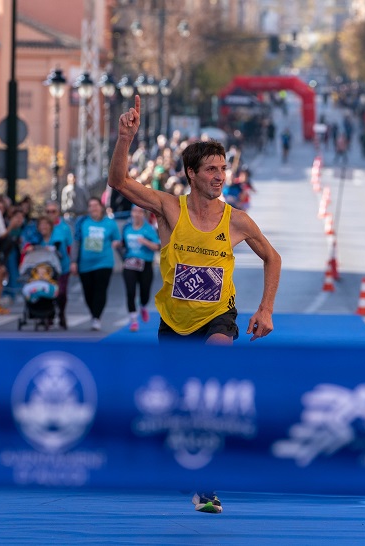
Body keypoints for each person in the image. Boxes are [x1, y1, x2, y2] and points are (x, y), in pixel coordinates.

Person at [108, 96, 281, 514]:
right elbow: (119, 182)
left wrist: (266, 309)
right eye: (211, 170)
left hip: (218, 317)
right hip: (174, 320)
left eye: (223, 169)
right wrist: (124, 139)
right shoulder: (169, 207)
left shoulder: (237, 219)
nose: (220, 176)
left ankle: (209, 484)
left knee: (211, 377)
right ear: (191, 173)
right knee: (184, 402)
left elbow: (272, 257)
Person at [71, 198, 121, 331]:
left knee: (100, 290)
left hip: (104, 262)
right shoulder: (82, 222)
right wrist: (74, 262)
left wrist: (118, 244)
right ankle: (94, 314)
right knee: (88, 292)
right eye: (90, 206)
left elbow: (117, 239)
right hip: (85, 264)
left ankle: (97, 317)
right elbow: (76, 242)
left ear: (101, 207)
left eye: (96, 205)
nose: (93, 208)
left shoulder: (109, 223)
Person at [119, 205, 161, 332]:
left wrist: (145, 242)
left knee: (145, 292)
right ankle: (133, 320)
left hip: (145, 265)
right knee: (130, 291)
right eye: (135, 211)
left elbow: (157, 246)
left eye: (140, 212)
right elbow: (123, 243)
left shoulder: (148, 229)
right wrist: (118, 245)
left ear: (143, 214)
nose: (137, 214)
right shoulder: (127, 228)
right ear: (131, 213)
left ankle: (143, 306)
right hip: (129, 264)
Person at [42, 202, 74, 329]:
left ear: (58, 212)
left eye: (53, 211)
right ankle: (49, 315)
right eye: (48, 211)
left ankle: (61, 313)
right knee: (47, 291)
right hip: (45, 266)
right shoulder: (42, 226)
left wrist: (72, 262)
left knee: (61, 293)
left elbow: (70, 246)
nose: (51, 214)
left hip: (62, 266)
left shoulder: (64, 228)